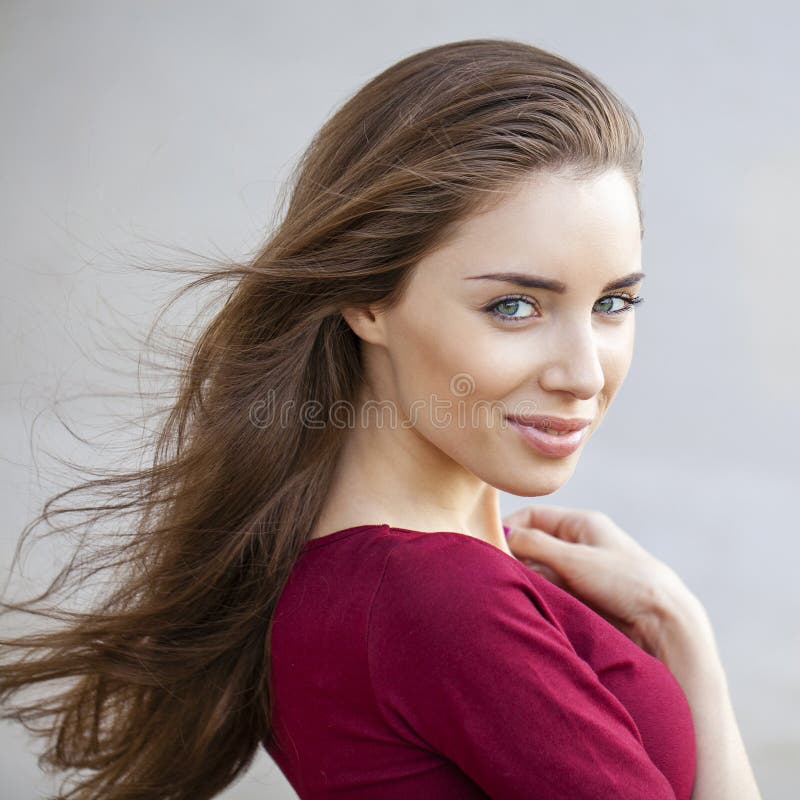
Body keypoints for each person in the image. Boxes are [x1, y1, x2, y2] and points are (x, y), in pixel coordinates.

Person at [0, 38, 761, 800]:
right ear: (368, 298)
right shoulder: (440, 601)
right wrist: (684, 642)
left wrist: (672, 622)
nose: (584, 374)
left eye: (612, 304)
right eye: (514, 306)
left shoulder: (352, 570)